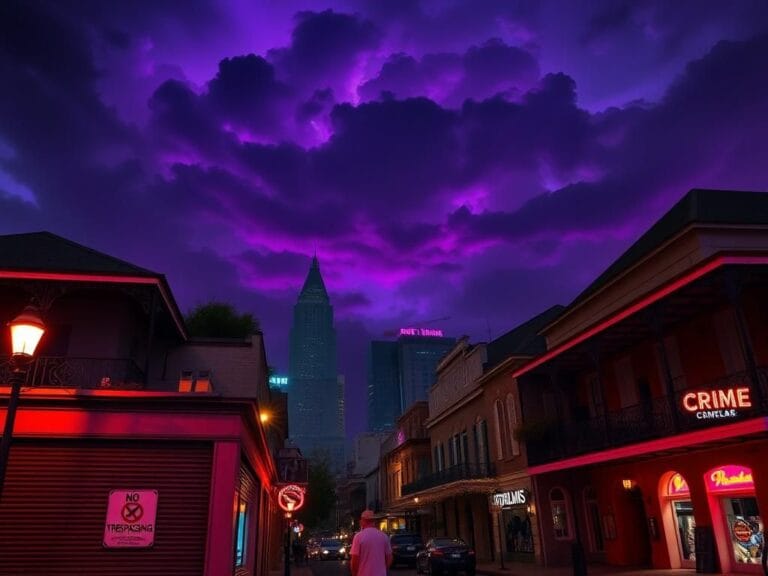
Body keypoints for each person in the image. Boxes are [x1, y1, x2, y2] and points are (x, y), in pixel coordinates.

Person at [350, 509, 392, 576]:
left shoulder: (358, 537)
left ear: (362, 521)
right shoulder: (384, 536)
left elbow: (355, 561)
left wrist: (355, 574)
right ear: (374, 521)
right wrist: (382, 569)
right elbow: (389, 558)